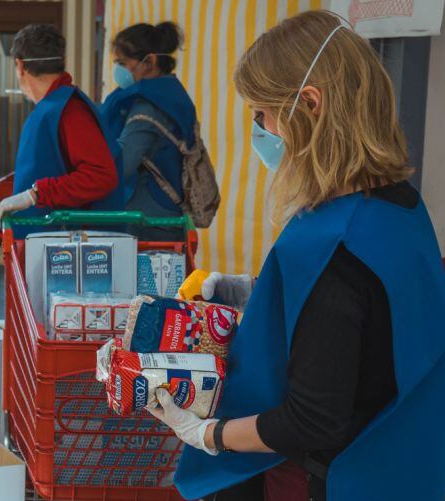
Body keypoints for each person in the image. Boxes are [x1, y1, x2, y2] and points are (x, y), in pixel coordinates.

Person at [148, 10, 444, 501]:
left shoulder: (333, 245)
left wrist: (206, 434)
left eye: (261, 116)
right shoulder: (401, 205)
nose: (259, 131)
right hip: (408, 461)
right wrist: (265, 293)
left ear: (309, 105)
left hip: (335, 476)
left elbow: (310, 420)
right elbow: (374, 324)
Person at [0, 23, 116, 244]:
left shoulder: (69, 111)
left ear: (19, 66)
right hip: (42, 242)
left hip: (65, 252)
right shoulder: (50, 109)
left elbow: (101, 176)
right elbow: (40, 175)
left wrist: (34, 195)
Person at [95, 22, 197, 241]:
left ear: (149, 62)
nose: (118, 70)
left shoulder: (150, 106)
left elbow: (123, 163)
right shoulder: (169, 94)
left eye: (122, 63)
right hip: (158, 212)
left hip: (152, 220)